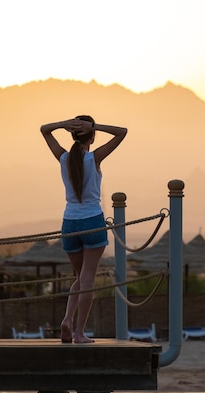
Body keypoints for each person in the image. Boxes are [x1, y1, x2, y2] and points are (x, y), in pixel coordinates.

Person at [41, 115, 127, 343]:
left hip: (69, 223)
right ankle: (79, 332)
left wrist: (62, 123)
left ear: (71, 133)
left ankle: (67, 319)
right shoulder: (94, 158)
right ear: (92, 136)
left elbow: (44, 130)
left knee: (79, 277)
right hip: (92, 221)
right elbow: (122, 132)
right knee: (87, 279)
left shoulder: (63, 158)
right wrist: (94, 126)